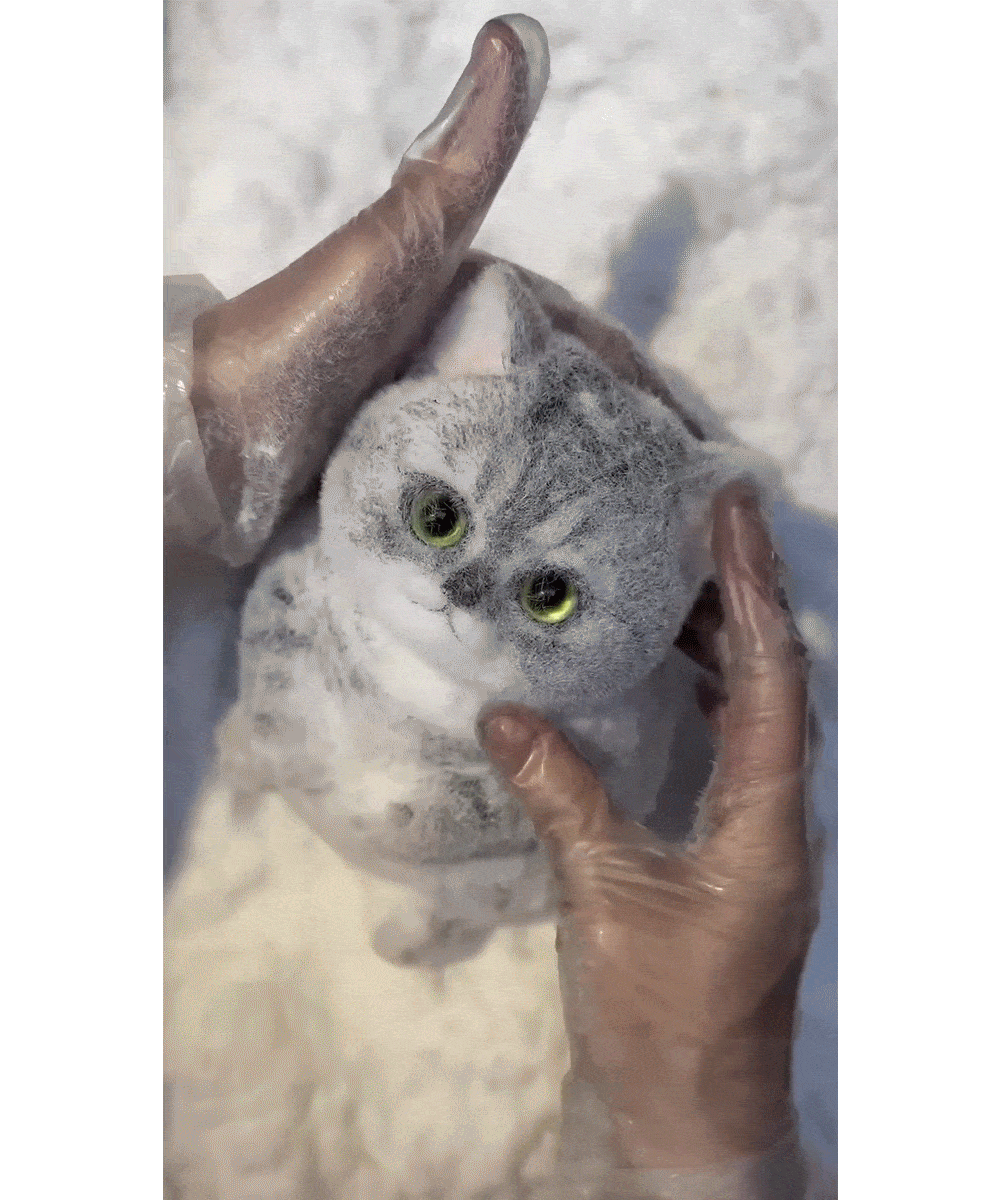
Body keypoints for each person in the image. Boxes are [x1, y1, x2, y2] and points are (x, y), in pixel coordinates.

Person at [165, 16, 829, 1197]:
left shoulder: (600, 735)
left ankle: (450, 909)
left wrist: (692, 1103)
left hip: (482, 854)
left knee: (473, 875)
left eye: (547, 592)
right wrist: (195, 428)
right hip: (297, 711)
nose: (457, 594)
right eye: (436, 518)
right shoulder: (328, 542)